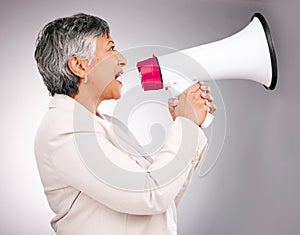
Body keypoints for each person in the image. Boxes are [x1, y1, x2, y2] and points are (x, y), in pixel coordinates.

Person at [34, 13, 216, 235]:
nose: (122, 59)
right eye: (111, 49)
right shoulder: (62, 131)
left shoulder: (111, 126)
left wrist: (188, 124)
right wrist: (186, 124)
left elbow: (161, 205)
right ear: (79, 66)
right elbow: (151, 195)